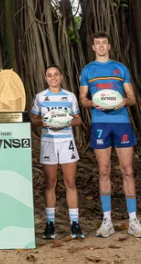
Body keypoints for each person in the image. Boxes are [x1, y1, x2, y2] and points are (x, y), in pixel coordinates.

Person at [79, 32, 141, 238]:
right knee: (104, 170)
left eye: (104, 43)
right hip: (100, 122)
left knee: (127, 170)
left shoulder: (120, 68)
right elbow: (83, 99)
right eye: (97, 43)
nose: (101, 46)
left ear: (109, 46)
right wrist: (92, 103)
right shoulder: (88, 70)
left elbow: (132, 97)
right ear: (93, 47)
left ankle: (133, 220)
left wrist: (124, 101)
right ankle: (107, 220)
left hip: (121, 122)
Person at [30, 65, 85, 240]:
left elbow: (78, 120)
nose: (53, 78)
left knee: (70, 182)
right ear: (46, 78)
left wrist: (66, 121)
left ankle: (75, 224)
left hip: (66, 141)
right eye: (49, 75)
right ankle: (50, 224)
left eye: (56, 75)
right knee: (50, 183)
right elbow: (33, 119)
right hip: (48, 142)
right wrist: (43, 122)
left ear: (61, 76)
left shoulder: (70, 96)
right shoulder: (40, 97)